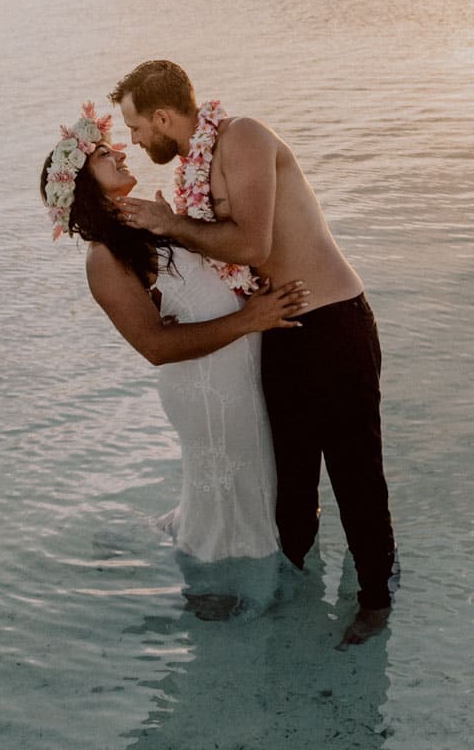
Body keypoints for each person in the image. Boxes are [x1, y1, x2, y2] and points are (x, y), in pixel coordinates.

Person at [111, 59, 398, 648]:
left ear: (165, 116)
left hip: (333, 322)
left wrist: (170, 222)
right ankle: (293, 591)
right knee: (289, 482)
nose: (136, 141)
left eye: (138, 127)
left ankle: (374, 599)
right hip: (280, 330)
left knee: (354, 472)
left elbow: (251, 241)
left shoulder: (242, 137)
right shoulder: (196, 162)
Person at [39, 117, 308, 576]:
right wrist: (250, 319)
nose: (121, 153)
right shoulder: (104, 257)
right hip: (206, 388)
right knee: (233, 497)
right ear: (83, 184)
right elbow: (154, 345)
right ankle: (218, 593)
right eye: (105, 155)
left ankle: (245, 567)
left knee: (254, 485)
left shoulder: (147, 222)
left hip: (236, 372)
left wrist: (176, 225)